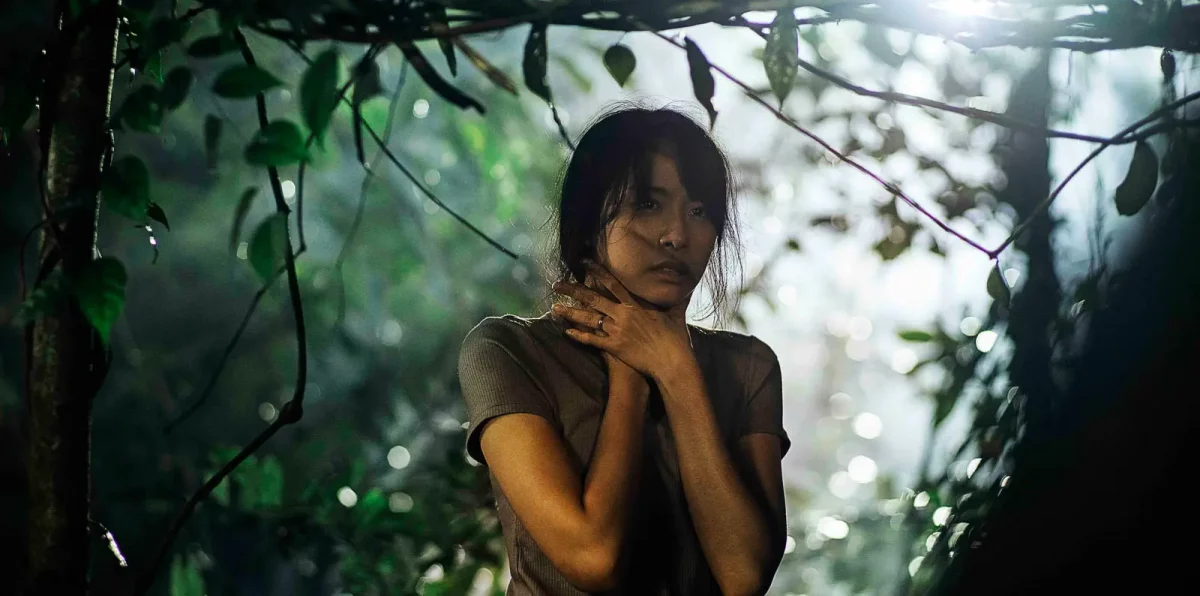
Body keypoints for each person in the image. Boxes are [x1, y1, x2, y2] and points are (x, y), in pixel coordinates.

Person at [458, 103, 791, 595]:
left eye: (700, 211)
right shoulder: (508, 351)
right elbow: (593, 559)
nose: (677, 235)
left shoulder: (748, 368)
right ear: (589, 217)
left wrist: (676, 371)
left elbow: (744, 578)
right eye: (649, 205)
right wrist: (630, 376)